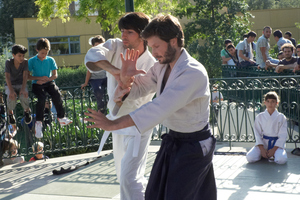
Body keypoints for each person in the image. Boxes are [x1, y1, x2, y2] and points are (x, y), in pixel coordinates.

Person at [85, 14, 217, 200]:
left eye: (156, 46)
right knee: (155, 193)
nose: (153, 52)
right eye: (151, 46)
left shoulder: (192, 72)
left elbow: (158, 108)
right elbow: (141, 86)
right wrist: (126, 81)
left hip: (194, 145)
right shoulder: (162, 67)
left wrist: (112, 124)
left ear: (173, 41)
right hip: (173, 140)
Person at [84, 12, 156, 200]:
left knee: (129, 177)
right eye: (122, 31)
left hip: (139, 125)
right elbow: (92, 56)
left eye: (129, 32)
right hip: (115, 121)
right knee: (123, 176)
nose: (124, 36)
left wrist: (124, 88)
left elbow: (138, 98)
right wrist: (117, 72)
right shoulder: (116, 46)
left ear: (143, 35)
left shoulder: (152, 62)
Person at [28, 38, 72, 139]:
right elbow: (28, 76)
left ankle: (61, 117)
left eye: (46, 52)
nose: (44, 55)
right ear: (37, 50)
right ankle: (38, 123)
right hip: (37, 84)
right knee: (42, 99)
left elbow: (55, 75)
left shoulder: (51, 60)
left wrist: (47, 79)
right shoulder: (31, 61)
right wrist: (39, 79)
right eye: (42, 52)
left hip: (48, 82)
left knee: (56, 93)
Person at [246, 91, 288, 164]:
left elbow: (283, 136)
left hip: (276, 144)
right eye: (268, 101)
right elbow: (257, 134)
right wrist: (262, 149)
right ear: (265, 103)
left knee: (281, 160)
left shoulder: (281, 117)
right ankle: (263, 154)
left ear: (276, 103)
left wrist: (273, 150)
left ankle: (274, 154)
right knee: (250, 157)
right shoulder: (260, 117)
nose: (270, 104)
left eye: (273, 101)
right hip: (263, 143)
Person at [5, 44, 32, 126]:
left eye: (23, 56)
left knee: (24, 95)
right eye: (19, 56)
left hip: (21, 84)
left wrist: (23, 89)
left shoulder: (25, 62)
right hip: (10, 84)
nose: (21, 58)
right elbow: (7, 77)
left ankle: (27, 112)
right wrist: (12, 91)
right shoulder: (8, 62)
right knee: (11, 96)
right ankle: (10, 113)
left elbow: (25, 76)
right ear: (13, 55)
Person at [81, 35, 107, 113]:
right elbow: (89, 70)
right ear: (93, 46)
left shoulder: (105, 53)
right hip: (95, 78)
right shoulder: (92, 55)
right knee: (97, 90)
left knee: (112, 86)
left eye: (101, 45)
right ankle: (101, 107)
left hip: (105, 77)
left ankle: (110, 102)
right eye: (97, 45)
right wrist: (86, 83)